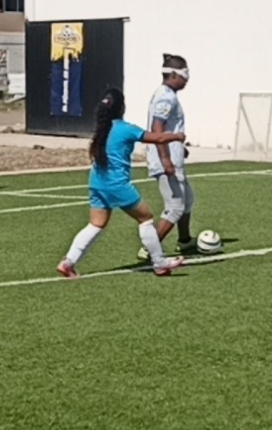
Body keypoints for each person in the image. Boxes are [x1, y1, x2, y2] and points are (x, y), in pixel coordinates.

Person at [58, 88, 187, 279]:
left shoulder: (102, 130)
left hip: (97, 182)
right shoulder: (125, 128)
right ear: (122, 107)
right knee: (146, 218)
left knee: (96, 224)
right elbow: (157, 138)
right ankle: (159, 263)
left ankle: (69, 262)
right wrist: (177, 136)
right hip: (116, 184)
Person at [138, 53, 196, 259]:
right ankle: (150, 248)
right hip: (166, 160)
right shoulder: (166, 96)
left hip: (172, 156)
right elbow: (158, 127)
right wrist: (165, 158)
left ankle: (185, 241)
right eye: (185, 74)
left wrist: (180, 149)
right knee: (175, 207)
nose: (187, 79)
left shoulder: (169, 95)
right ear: (173, 74)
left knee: (187, 201)